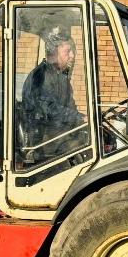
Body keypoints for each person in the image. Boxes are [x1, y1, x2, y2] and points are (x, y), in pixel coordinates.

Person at [19, 27, 87, 164]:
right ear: (55, 51)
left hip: (57, 135)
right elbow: (49, 110)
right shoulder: (41, 76)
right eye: (68, 51)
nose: (72, 56)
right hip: (43, 141)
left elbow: (70, 108)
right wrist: (80, 118)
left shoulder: (61, 78)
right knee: (84, 152)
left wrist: (85, 120)